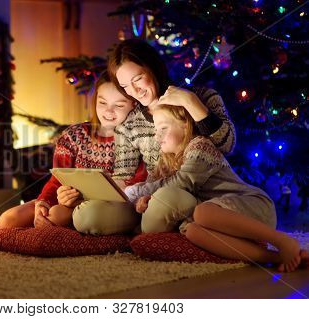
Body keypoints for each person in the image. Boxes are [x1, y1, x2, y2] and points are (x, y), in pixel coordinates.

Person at [124, 103, 308, 272]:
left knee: (202, 213)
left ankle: (282, 240)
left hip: (252, 207)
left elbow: (183, 182)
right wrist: (143, 201)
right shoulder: (164, 162)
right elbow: (151, 188)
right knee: (193, 231)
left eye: (163, 128)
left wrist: (135, 192)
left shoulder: (200, 146)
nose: (157, 136)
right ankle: (274, 257)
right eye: (156, 130)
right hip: (224, 225)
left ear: (185, 125)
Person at [0, 71, 143, 230]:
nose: (108, 111)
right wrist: (43, 203)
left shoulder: (136, 140)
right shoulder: (74, 135)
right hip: (68, 201)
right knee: (7, 220)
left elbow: (136, 187)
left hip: (106, 207)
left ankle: (61, 227)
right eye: (102, 103)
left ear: (133, 105)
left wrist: (80, 202)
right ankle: (51, 222)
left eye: (119, 105)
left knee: (55, 216)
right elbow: (57, 180)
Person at [106, 38, 236, 190]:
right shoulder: (130, 124)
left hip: (210, 193)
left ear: (153, 69)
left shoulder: (204, 97)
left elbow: (228, 145)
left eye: (138, 79)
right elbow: (122, 177)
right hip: (161, 197)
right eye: (125, 86)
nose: (134, 91)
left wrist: (190, 101)